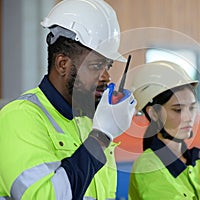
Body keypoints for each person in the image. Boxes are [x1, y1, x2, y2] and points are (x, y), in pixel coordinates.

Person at [0, 0, 136, 199]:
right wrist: (101, 137)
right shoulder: (19, 117)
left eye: (108, 66)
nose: (106, 77)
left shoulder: (89, 124)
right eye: (96, 66)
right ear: (62, 64)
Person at [128, 61, 200, 199]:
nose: (189, 117)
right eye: (178, 110)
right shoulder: (147, 167)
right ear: (154, 113)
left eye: (192, 107)